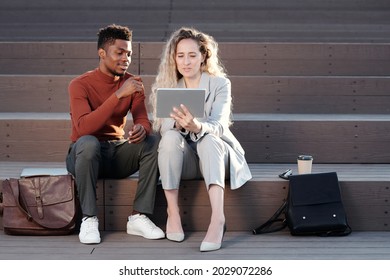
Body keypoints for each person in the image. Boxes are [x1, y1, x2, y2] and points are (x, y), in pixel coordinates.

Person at [149, 27, 252, 252]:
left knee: (208, 140)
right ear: (174, 58)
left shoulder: (220, 84)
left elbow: (220, 125)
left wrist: (197, 126)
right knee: (169, 138)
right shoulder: (169, 87)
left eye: (192, 55)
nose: (186, 62)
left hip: (216, 158)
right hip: (186, 161)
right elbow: (164, 127)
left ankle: (218, 219)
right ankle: (173, 213)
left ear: (204, 56)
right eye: (180, 55)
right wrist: (177, 124)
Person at [66, 24, 164, 244]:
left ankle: (139, 216)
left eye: (128, 53)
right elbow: (83, 128)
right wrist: (119, 95)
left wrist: (142, 129)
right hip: (83, 155)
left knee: (154, 141)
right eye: (119, 53)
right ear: (102, 53)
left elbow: (142, 119)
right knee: (89, 142)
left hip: (115, 152)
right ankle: (89, 219)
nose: (125, 58)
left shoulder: (133, 83)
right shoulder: (79, 85)